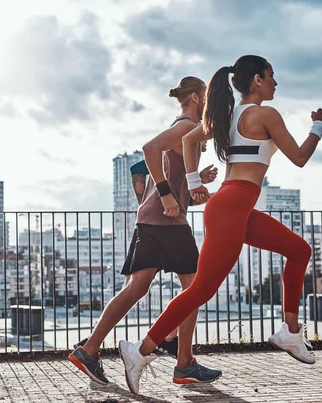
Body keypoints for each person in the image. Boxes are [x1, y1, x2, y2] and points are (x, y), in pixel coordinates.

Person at [118, 55, 322, 394]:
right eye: (271, 76)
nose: (276, 82)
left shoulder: (228, 117)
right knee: (201, 289)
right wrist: (318, 125)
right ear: (257, 80)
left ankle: (290, 331)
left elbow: (189, 141)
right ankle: (140, 351)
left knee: (298, 250)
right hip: (232, 205)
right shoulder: (264, 114)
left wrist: (192, 182)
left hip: (235, 206)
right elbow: (300, 157)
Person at [69, 76, 221, 386]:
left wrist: (196, 179)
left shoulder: (186, 133)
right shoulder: (183, 128)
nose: (209, 103)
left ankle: (90, 350)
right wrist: (166, 194)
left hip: (158, 220)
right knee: (195, 289)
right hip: (164, 221)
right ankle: (183, 362)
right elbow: (149, 148)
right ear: (195, 98)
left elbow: (177, 180)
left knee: (138, 288)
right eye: (206, 96)